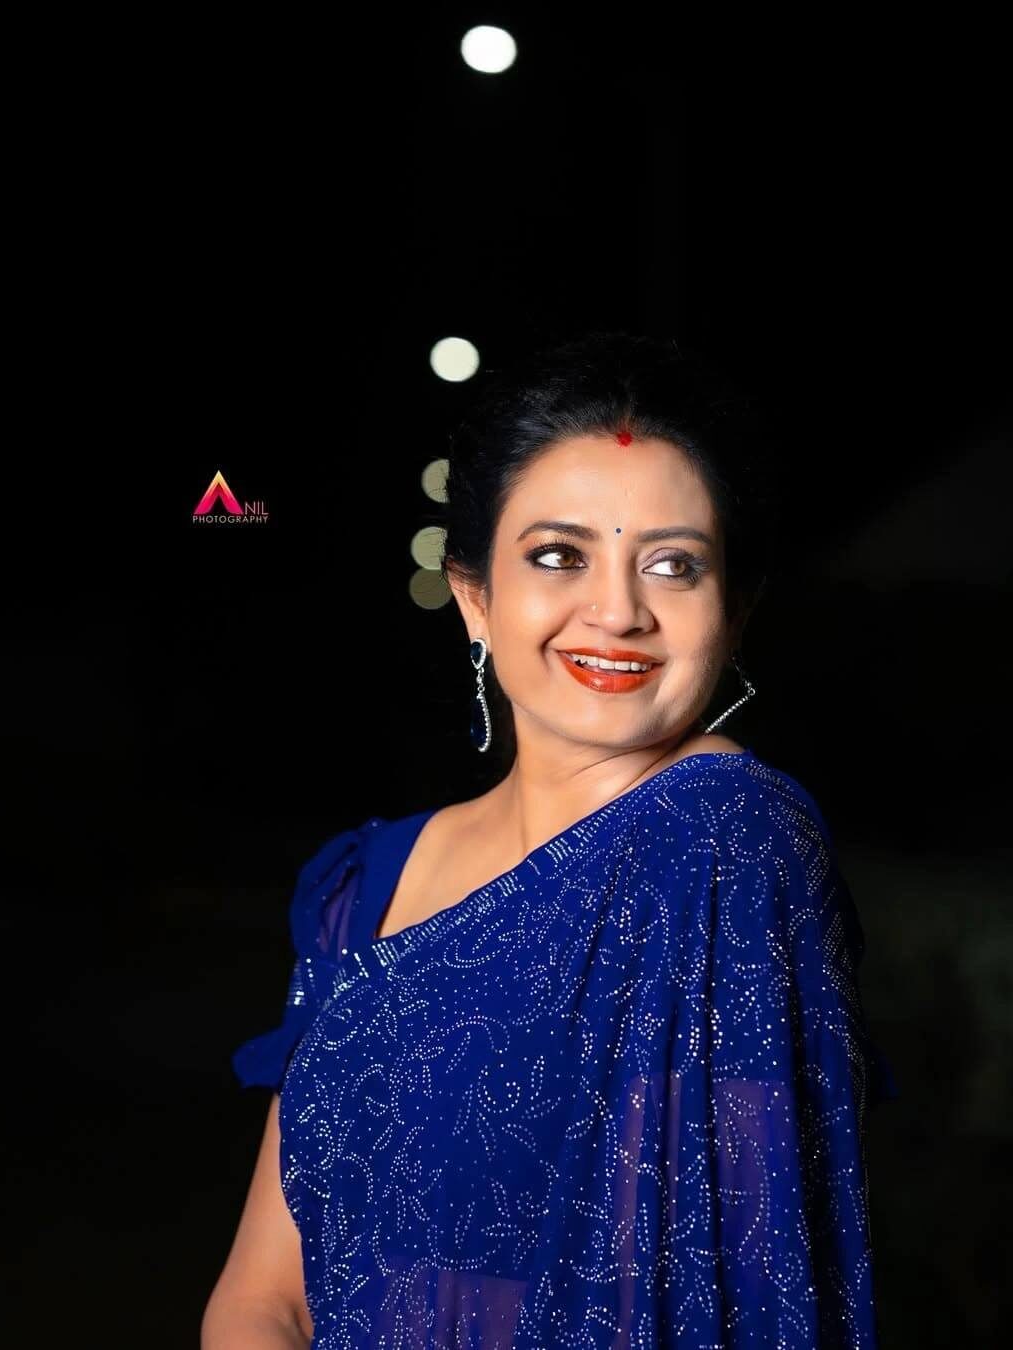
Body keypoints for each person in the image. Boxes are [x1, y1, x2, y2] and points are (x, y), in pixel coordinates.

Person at [202, 331, 896, 1348]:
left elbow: (747, 1288)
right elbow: (265, 1293)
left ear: (733, 613)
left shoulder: (725, 846)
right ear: (474, 597)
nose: (617, 611)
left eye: (673, 565)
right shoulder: (369, 881)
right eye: (560, 555)